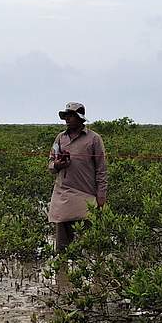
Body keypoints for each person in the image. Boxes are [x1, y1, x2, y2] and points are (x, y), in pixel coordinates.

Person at [47, 102, 107, 253]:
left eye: (71, 116)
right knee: (62, 246)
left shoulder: (94, 139)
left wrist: (101, 196)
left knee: (88, 245)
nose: (67, 119)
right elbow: (50, 164)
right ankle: (62, 273)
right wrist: (57, 165)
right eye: (66, 116)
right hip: (63, 195)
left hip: (86, 195)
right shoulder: (60, 138)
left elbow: (101, 170)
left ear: (80, 118)